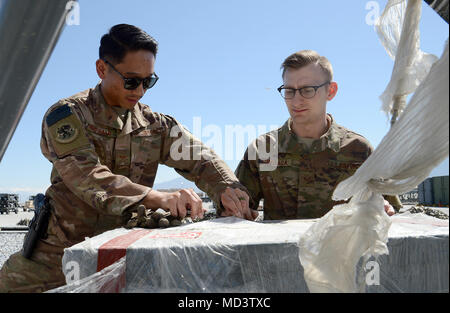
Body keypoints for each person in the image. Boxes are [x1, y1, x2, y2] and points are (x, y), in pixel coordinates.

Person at [0, 24, 255, 293]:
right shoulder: (68, 115)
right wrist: (156, 197)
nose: (141, 90)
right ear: (102, 69)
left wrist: (229, 189)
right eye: (132, 80)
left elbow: (201, 159)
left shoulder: (155, 125)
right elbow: (87, 176)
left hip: (125, 253)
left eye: (149, 81)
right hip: (60, 254)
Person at [234, 50, 402, 220]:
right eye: (289, 91)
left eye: (307, 90)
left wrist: (383, 209)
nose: (296, 101)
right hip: (280, 247)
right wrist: (235, 210)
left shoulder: (359, 150)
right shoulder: (263, 149)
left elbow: (390, 210)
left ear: (330, 91)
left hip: (340, 247)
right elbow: (237, 209)